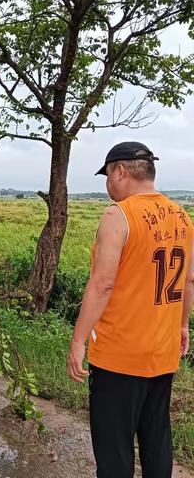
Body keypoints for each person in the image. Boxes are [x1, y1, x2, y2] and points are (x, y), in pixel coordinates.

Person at [67, 142, 194, 478]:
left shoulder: (118, 215)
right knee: (156, 440)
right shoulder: (182, 216)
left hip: (119, 355)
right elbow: (189, 283)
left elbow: (102, 284)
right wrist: (183, 327)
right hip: (162, 351)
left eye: (108, 176)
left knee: (114, 449)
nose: (108, 185)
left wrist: (78, 340)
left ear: (119, 171)